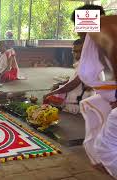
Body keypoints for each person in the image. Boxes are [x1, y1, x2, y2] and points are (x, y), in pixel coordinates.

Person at [77, 15, 117, 178]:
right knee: (89, 103)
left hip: (98, 91)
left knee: (104, 146)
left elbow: (84, 75)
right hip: (103, 91)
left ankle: (100, 161)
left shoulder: (102, 28)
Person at [43, 39, 94, 114]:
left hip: (83, 103)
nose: (76, 54)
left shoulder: (87, 65)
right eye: (74, 51)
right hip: (84, 96)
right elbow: (74, 80)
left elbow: (72, 84)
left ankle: (66, 105)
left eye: (80, 51)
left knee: (50, 98)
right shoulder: (86, 61)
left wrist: (51, 93)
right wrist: (59, 84)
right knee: (57, 87)